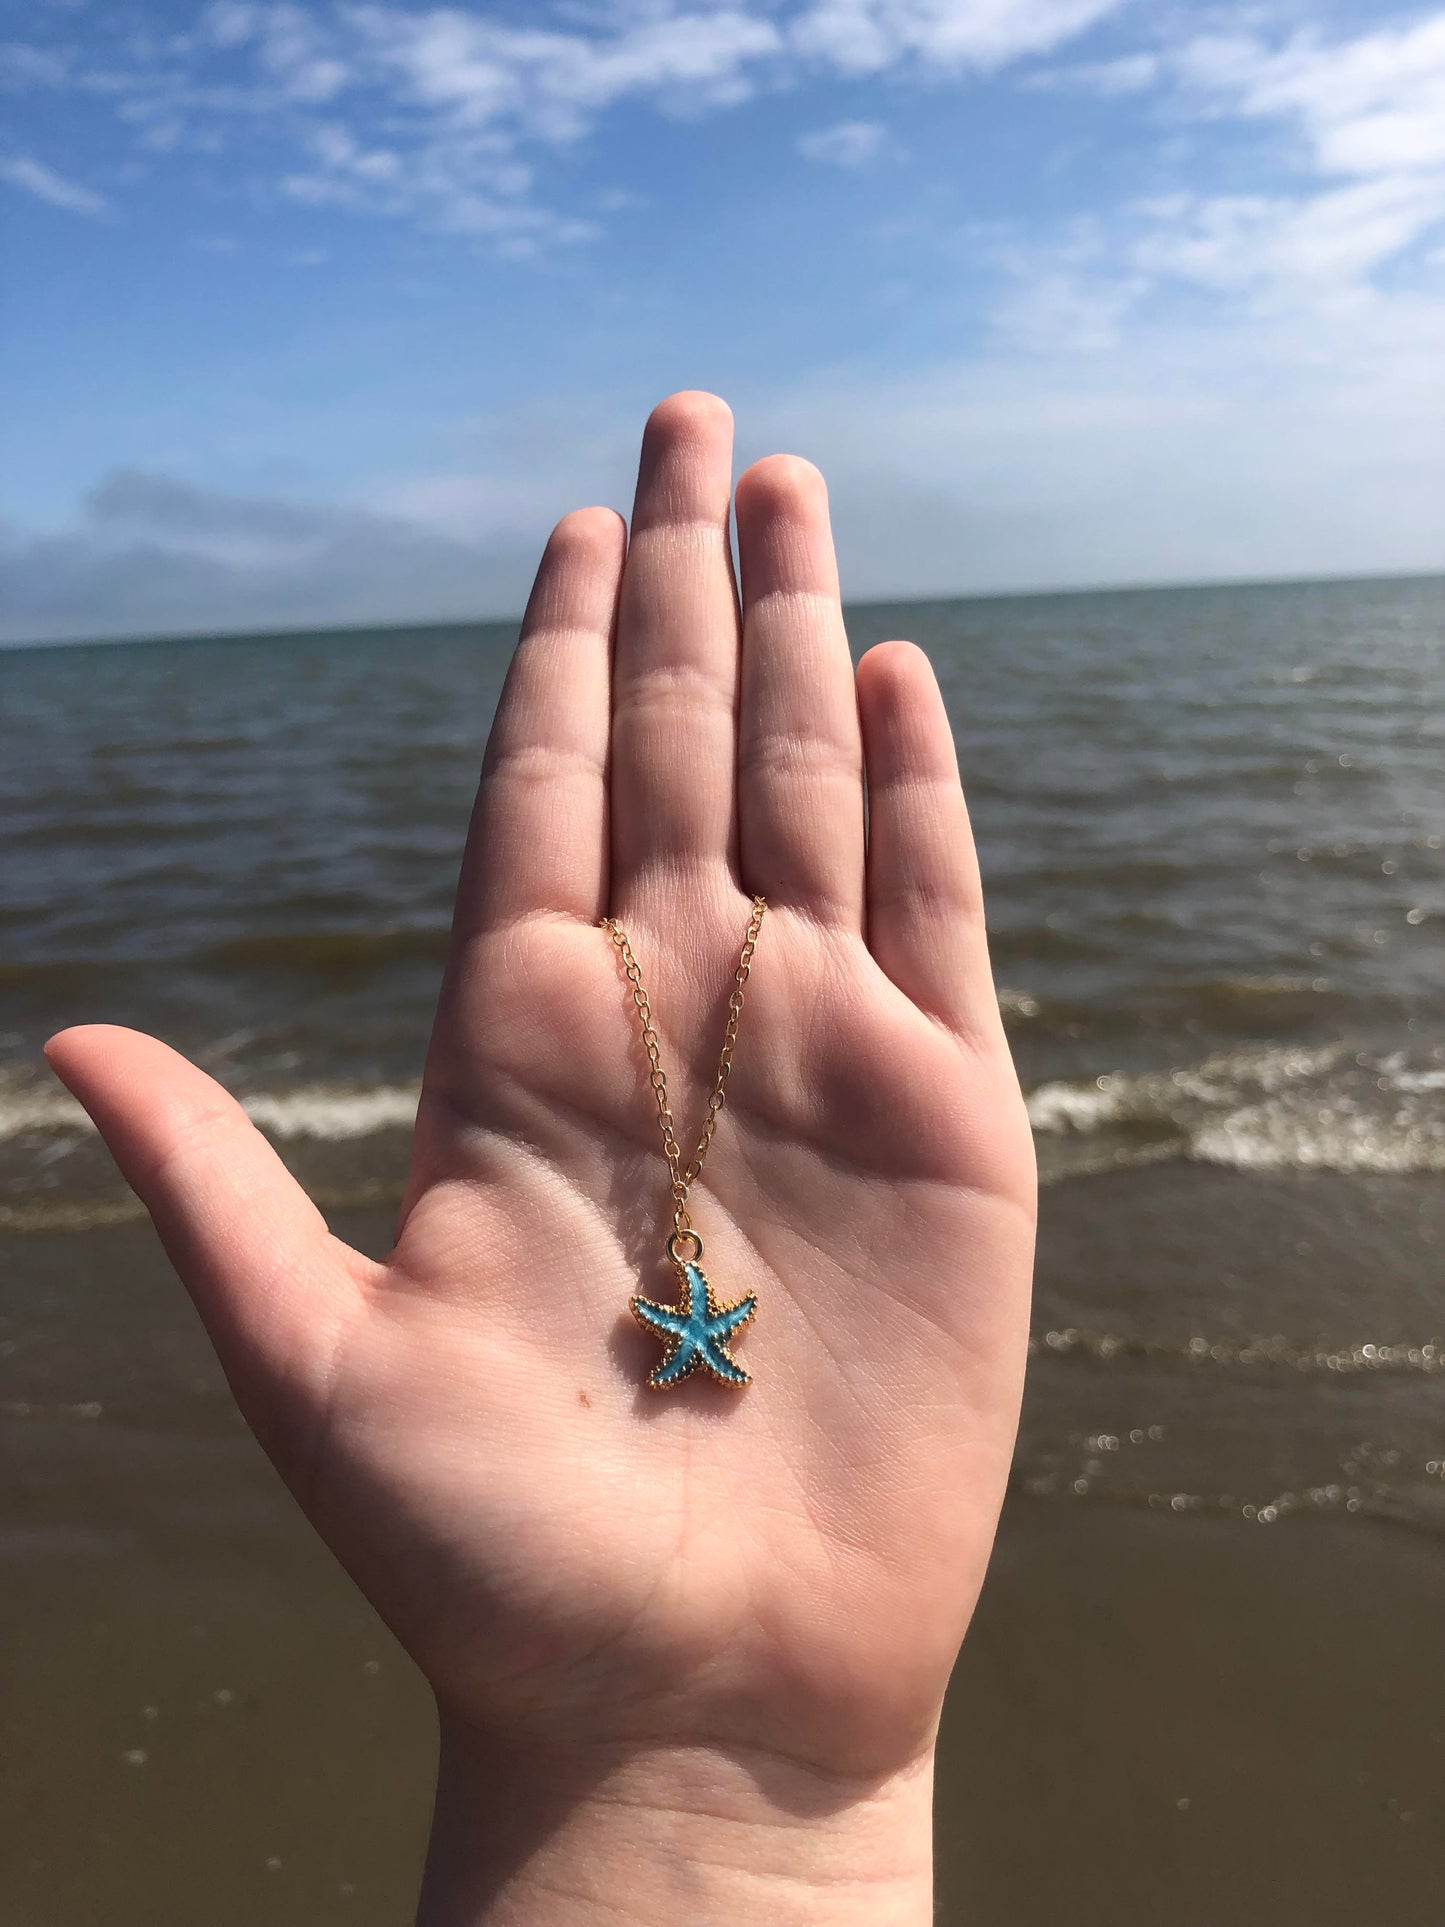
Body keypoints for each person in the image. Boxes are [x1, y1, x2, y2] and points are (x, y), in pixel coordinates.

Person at [46, 392, 1037, 1924]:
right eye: (692, 1325)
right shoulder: (686, 1325)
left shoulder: (697, 1326)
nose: (696, 1326)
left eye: (696, 1326)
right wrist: (679, 1764)